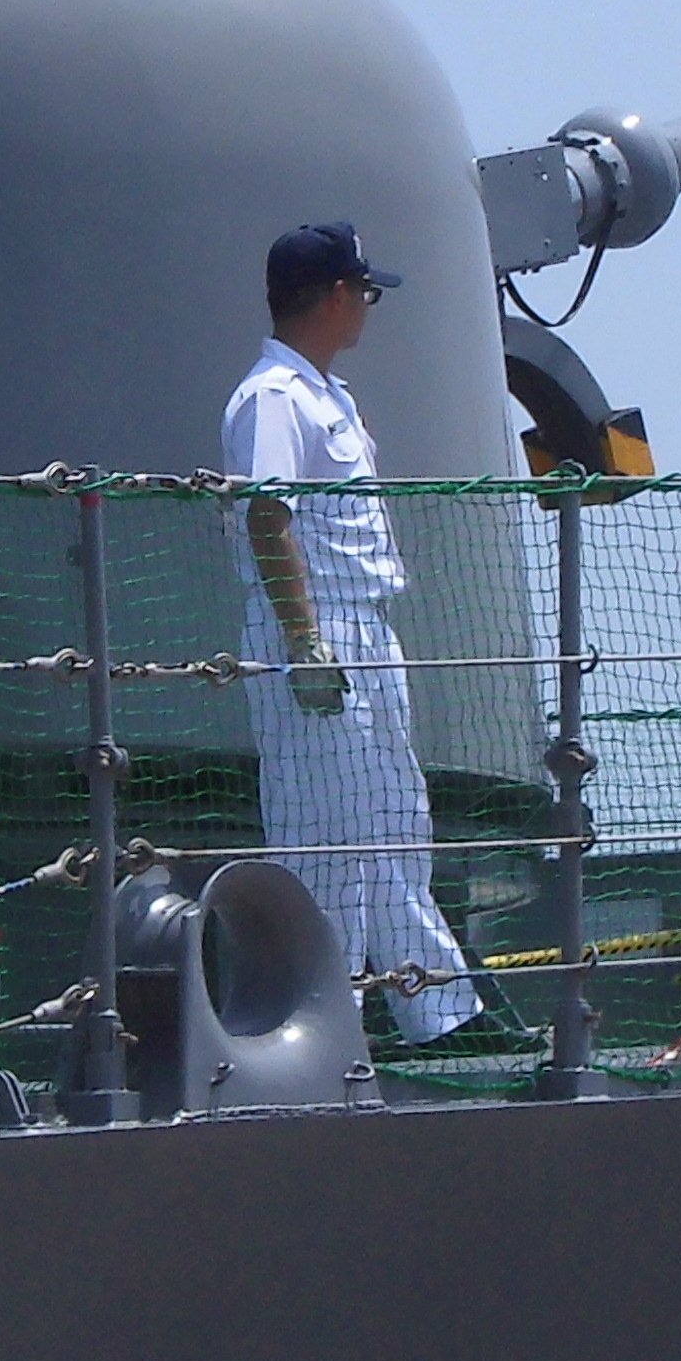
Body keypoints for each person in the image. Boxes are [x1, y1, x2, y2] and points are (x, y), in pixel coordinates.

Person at [226, 221, 480, 1045]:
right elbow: (267, 516)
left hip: (362, 624)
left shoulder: (326, 396)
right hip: (313, 623)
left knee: (395, 820)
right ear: (337, 295)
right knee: (323, 835)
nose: (368, 307)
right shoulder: (273, 398)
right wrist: (304, 642)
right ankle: (318, 1023)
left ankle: (437, 1012)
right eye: (364, 292)